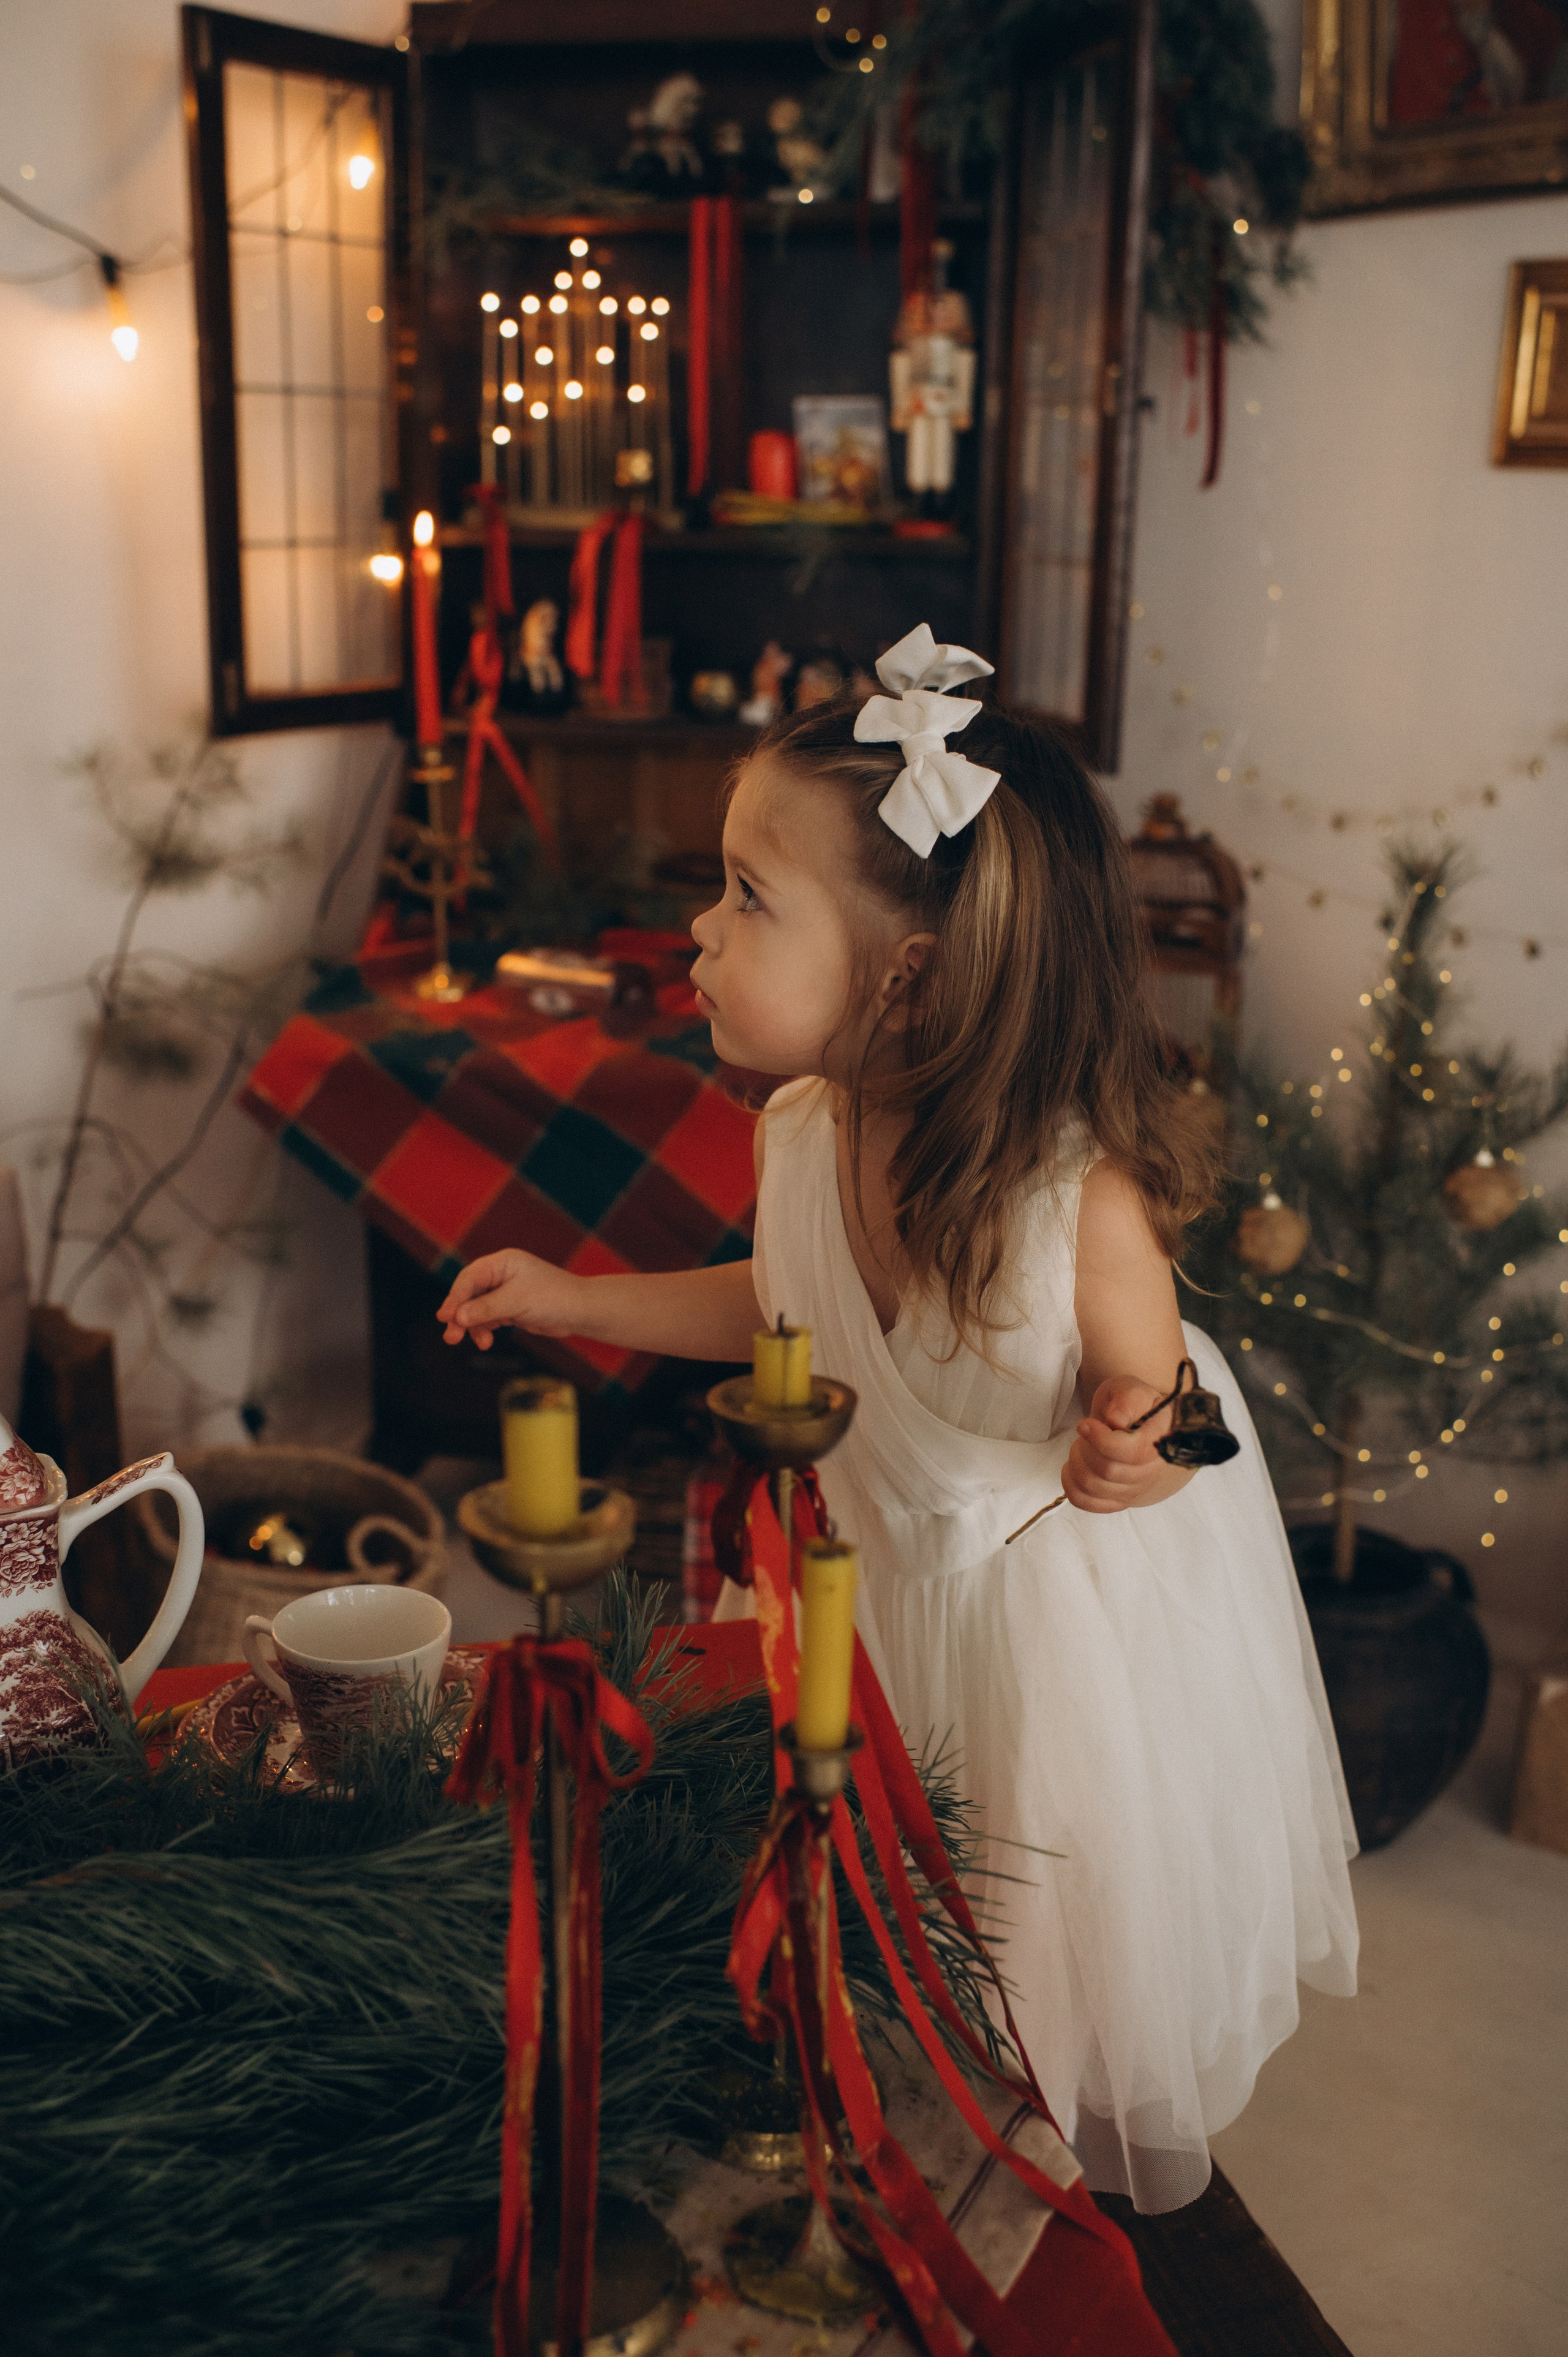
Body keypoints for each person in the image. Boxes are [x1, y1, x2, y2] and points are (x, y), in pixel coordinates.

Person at [435, 623, 1359, 2213]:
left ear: (909, 973)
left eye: (746, 897)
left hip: (1040, 1629)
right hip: (854, 1581)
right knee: (843, 1925)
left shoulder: (1081, 1205)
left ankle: (998, 2202)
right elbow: (788, 1306)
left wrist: (1138, 1443)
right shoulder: (801, 1129)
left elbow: (1180, 1409)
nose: (699, 936)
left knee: (1018, 1966)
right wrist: (580, 1301)